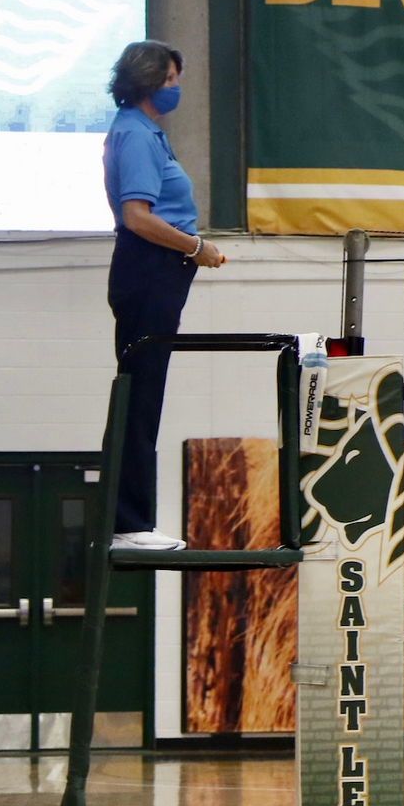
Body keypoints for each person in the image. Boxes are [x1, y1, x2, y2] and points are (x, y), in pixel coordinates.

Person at [101, 40, 225, 552]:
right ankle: (129, 523)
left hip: (157, 273)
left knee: (144, 394)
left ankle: (129, 519)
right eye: (172, 80)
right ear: (151, 80)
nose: (176, 89)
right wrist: (196, 246)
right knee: (141, 396)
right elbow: (137, 217)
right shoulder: (134, 134)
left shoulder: (147, 133)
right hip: (149, 269)